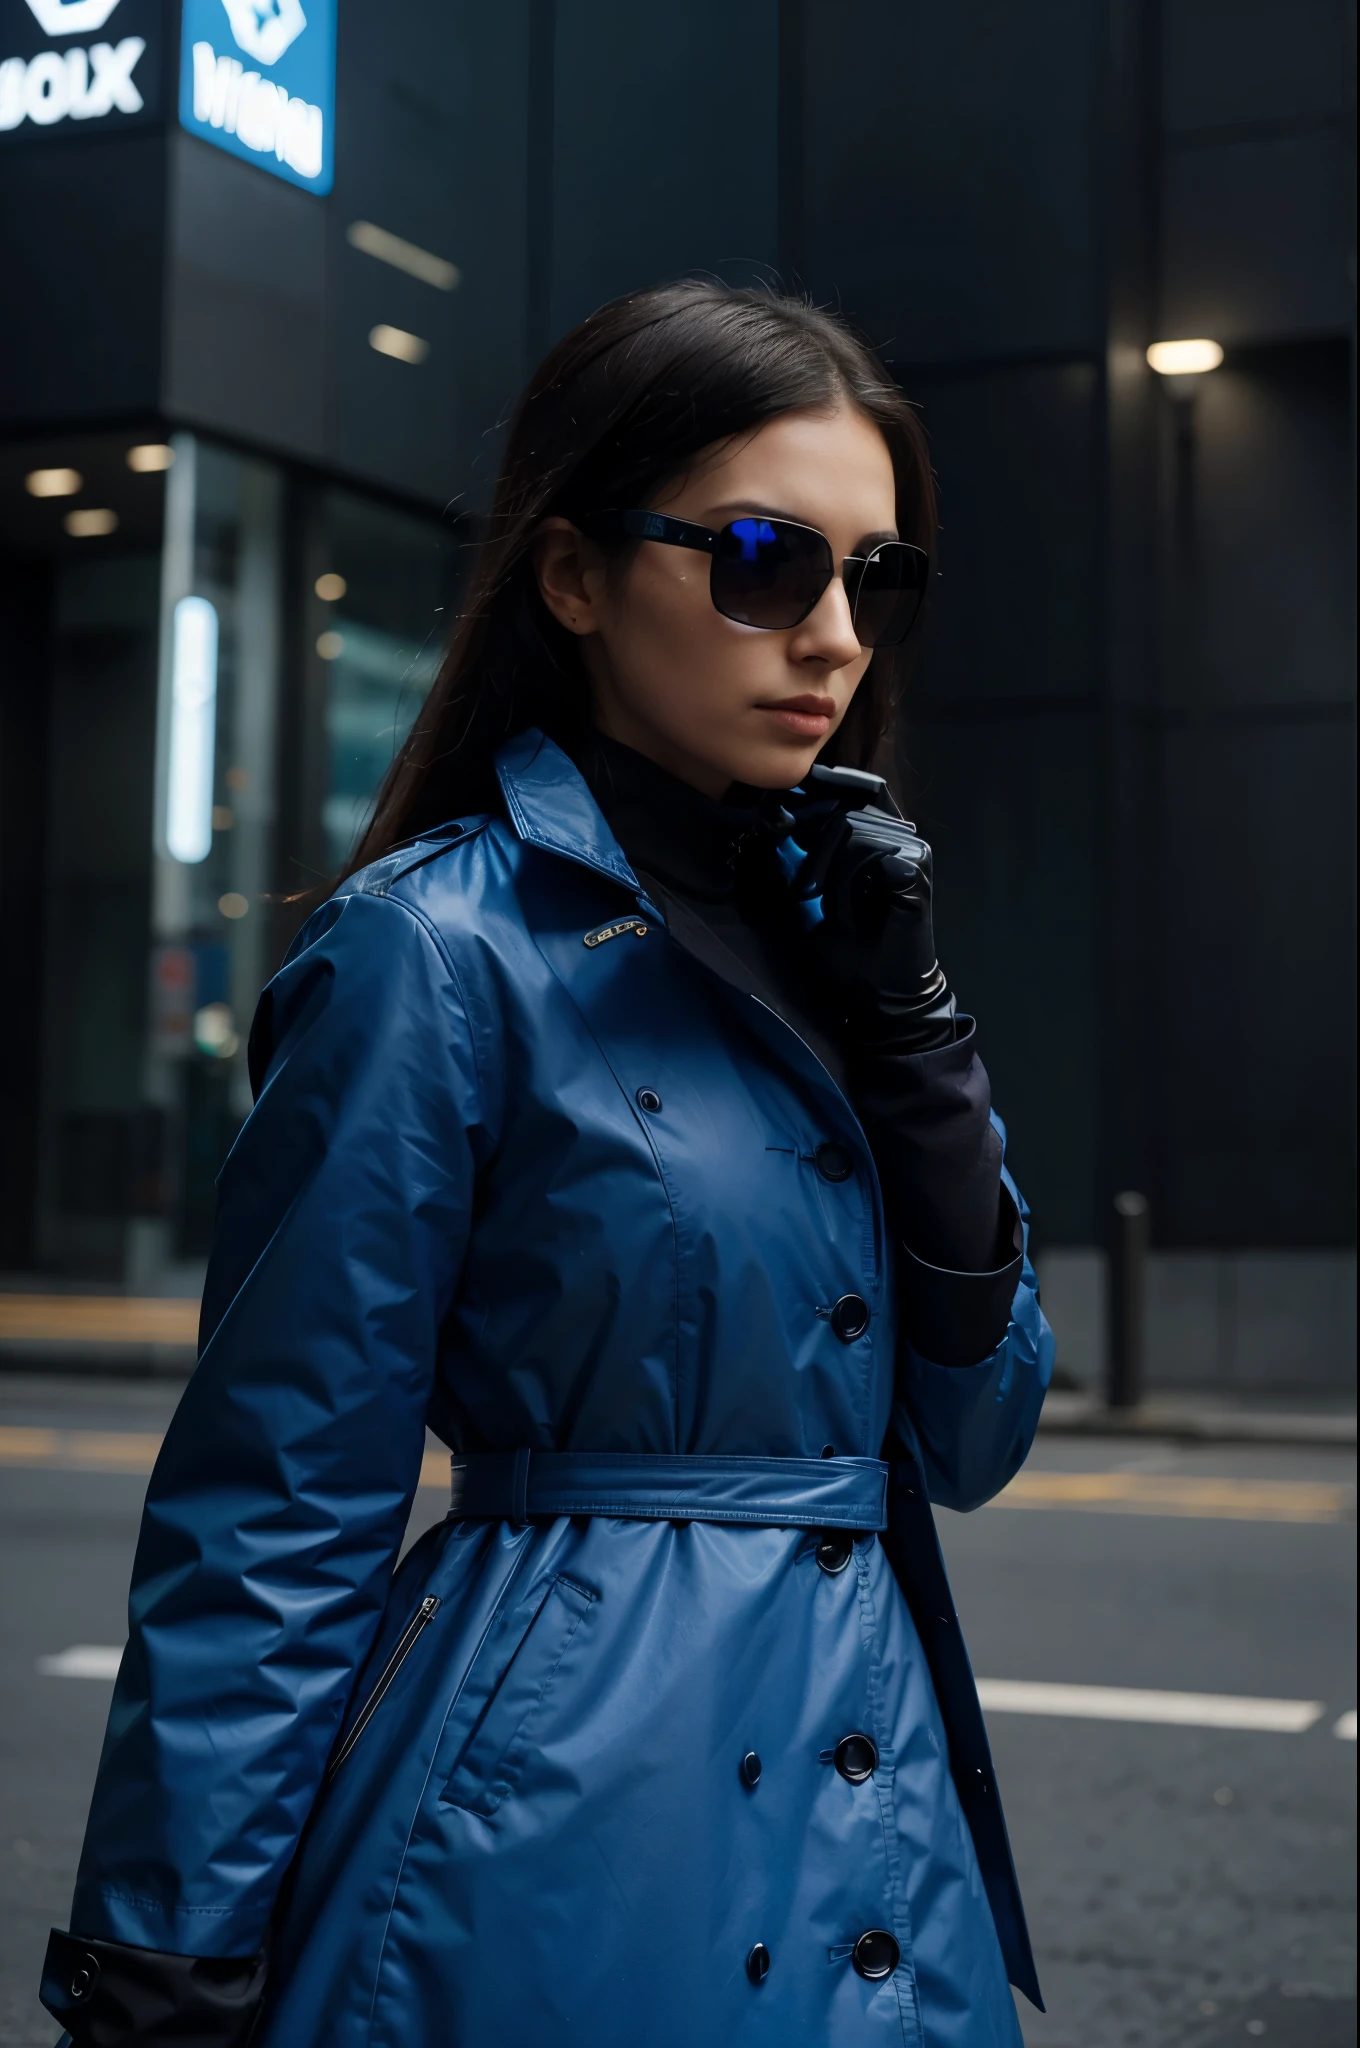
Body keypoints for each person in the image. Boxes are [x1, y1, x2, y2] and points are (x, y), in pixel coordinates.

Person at [42, 281, 1053, 2048]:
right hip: (558, 1828)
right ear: (574, 578)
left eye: (871, 578)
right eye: (763, 560)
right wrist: (163, 1966)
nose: (831, 635)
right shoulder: (431, 954)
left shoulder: (845, 949)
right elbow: (279, 1510)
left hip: (877, 1818)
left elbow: (976, 1436)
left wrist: (920, 1039)